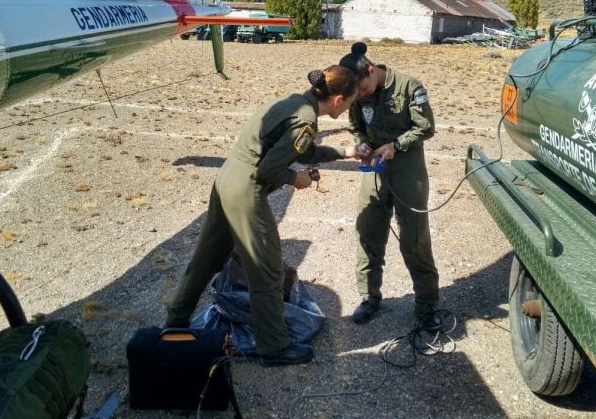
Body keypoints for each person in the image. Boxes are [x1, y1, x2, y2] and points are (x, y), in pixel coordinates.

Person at [165, 66, 363, 367]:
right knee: (267, 270)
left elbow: (302, 151)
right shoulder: (306, 120)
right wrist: (295, 179)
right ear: (337, 100)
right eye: (349, 102)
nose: (349, 108)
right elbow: (270, 169)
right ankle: (274, 347)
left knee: (206, 259)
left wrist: (345, 152)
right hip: (246, 190)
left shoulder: (292, 102)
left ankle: (175, 323)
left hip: (227, 180)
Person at [339, 42, 441, 331]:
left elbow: (426, 127)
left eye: (364, 88)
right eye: (355, 93)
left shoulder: (409, 86)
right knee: (368, 233)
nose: (361, 95)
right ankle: (369, 297)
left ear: (372, 71)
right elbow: (356, 124)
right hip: (373, 169)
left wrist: (396, 144)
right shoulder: (357, 91)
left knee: (414, 239)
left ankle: (427, 305)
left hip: (408, 172)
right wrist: (360, 143)